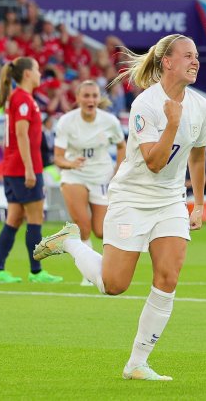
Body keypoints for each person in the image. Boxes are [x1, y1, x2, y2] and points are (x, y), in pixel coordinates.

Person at [33, 34, 206, 381]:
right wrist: (172, 123)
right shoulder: (146, 105)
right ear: (167, 62)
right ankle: (71, 241)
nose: (195, 62)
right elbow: (155, 162)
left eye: (197, 56)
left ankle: (137, 363)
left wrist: (199, 204)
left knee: (168, 277)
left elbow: (198, 155)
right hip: (132, 199)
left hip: (170, 201)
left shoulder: (201, 106)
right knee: (114, 285)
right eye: (188, 56)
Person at [0, 57, 62, 284]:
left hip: (14, 167)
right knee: (35, 217)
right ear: (28, 74)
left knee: (15, 218)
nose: (40, 74)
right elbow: (21, 134)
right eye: (38, 70)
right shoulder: (23, 99)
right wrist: (30, 170)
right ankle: (36, 271)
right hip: (23, 168)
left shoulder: (20, 98)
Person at [53, 80, 126, 286]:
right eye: (86, 96)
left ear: (99, 99)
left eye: (94, 96)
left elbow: (122, 146)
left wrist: (118, 172)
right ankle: (89, 274)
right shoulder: (66, 122)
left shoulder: (109, 121)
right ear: (77, 98)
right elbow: (58, 157)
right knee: (83, 226)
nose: (90, 100)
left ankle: (88, 257)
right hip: (74, 175)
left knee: (101, 230)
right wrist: (69, 163)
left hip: (101, 176)